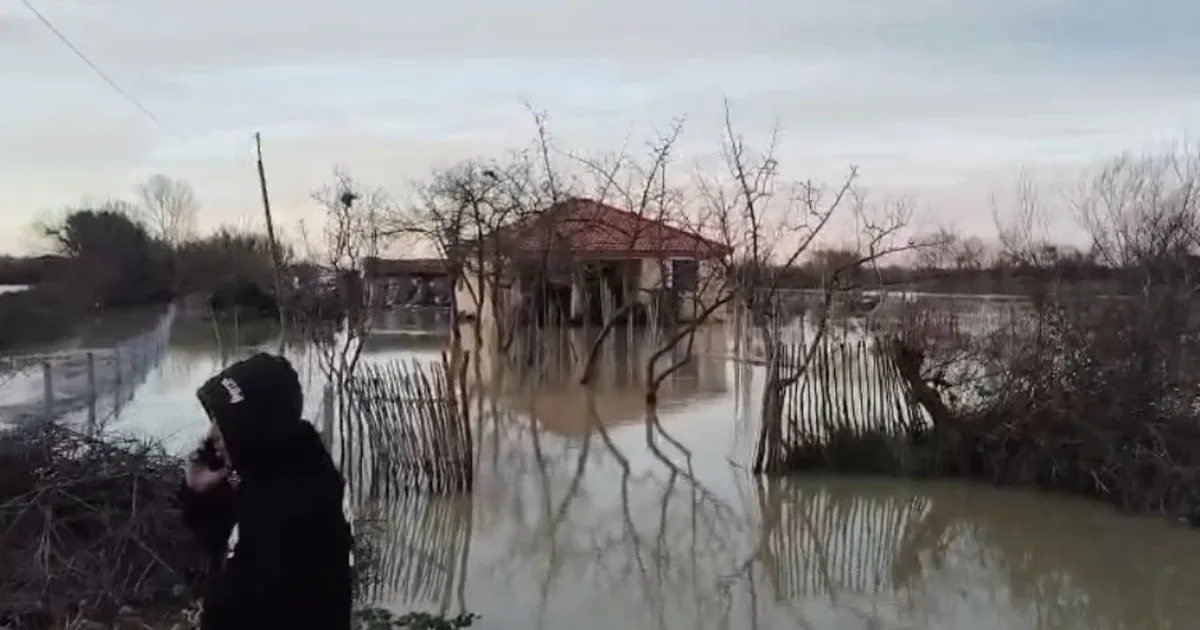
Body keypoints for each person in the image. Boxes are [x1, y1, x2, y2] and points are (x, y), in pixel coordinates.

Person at [178, 353, 352, 630]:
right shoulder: (264, 468)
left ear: (254, 428)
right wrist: (199, 491)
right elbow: (209, 541)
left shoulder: (298, 516)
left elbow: (247, 602)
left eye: (224, 423)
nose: (212, 435)